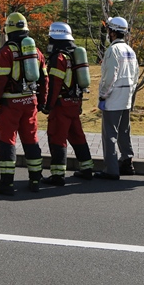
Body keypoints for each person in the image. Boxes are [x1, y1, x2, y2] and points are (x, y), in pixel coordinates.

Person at [0, 12, 48, 195]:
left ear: (8, 29)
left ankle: (6, 183)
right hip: (30, 101)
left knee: (7, 140)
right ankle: (36, 178)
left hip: (10, 104)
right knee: (31, 139)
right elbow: (44, 80)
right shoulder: (36, 52)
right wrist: (42, 102)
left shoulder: (6, 52)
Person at [39, 22, 95, 186]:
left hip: (61, 105)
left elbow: (54, 84)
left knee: (57, 137)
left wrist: (48, 105)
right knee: (77, 135)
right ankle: (87, 169)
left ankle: (57, 175)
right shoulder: (74, 54)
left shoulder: (59, 58)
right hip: (74, 103)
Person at [95, 16, 140, 180]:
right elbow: (136, 75)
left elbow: (110, 76)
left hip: (113, 97)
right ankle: (127, 162)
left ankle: (111, 169)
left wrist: (102, 95)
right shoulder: (130, 50)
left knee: (110, 134)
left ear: (112, 32)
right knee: (124, 131)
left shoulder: (113, 50)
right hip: (126, 96)